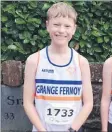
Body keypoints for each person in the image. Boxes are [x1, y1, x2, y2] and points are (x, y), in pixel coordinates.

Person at [23, 2, 93, 132]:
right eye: (56, 24)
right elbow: (27, 102)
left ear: (74, 29)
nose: (61, 30)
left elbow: (88, 103)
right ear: (47, 25)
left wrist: (72, 129)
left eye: (67, 26)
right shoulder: (34, 61)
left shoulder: (81, 62)